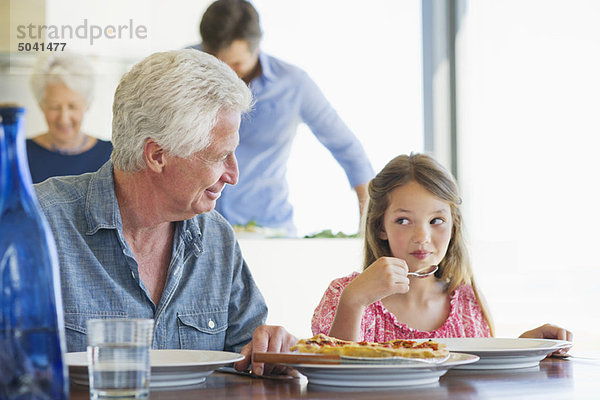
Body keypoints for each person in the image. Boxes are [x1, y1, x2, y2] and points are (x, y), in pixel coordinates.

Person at [34, 49, 295, 376]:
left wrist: (271, 351)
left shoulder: (216, 238)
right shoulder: (37, 223)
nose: (233, 174)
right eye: (220, 156)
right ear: (157, 155)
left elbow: (249, 360)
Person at [311, 153, 572, 351]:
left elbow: (479, 381)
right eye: (403, 220)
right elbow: (330, 381)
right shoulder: (345, 295)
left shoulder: (468, 301)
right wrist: (353, 302)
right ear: (380, 227)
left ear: (453, 226)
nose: (422, 237)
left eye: (436, 220)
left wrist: (526, 348)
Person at [190, 0, 374, 236]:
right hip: (196, 227)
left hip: (269, 231)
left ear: (256, 48)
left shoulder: (294, 84)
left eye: (235, 64)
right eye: (217, 64)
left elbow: (348, 149)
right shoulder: (181, 68)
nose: (226, 74)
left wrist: (367, 228)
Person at [27, 52, 112, 183]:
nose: (64, 118)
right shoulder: (19, 154)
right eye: (54, 107)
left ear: (87, 104)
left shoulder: (110, 156)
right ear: (41, 105)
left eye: (72, 106)